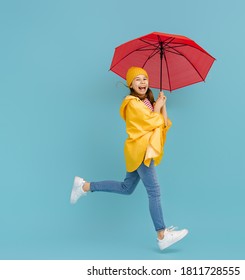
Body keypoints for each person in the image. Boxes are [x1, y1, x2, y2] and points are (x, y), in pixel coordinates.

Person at [70, 66, 188, 250]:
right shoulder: (131, 103)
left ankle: (84, 186)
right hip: (140, 150)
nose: (142, 82)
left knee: (126, 188)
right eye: (138, 79)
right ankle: (162, 234)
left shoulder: (148, 103)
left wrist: (161, 106)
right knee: (154, 191)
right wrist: (157, 108)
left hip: (140, 150)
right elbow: (148, 124)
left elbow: (163, 124)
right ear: (130, 84)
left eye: (145, 79)